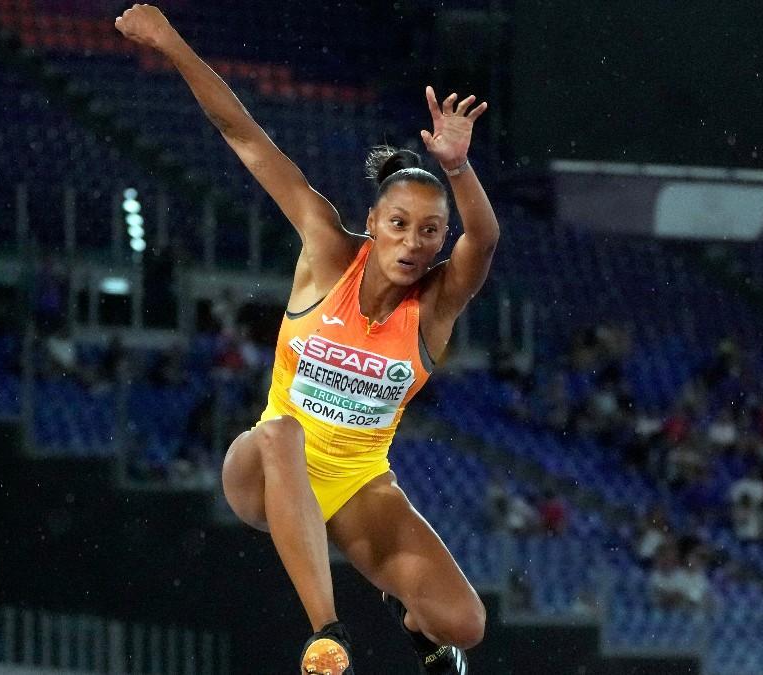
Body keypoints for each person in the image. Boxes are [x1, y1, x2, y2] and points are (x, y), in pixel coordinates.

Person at [115, 5, 498, 674]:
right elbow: (243, 133)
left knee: (464, 623)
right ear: (374, 221)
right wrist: (169, 42)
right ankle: (328, 633)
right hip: (266, 470)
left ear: (441, 242)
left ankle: (412, 624)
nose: (412, 242)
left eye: (429, 232)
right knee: (282, 432)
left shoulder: (436, 304)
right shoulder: (327, 248)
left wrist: (459, 169)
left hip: (358, 483)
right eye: (400, 224)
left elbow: (485, 240)